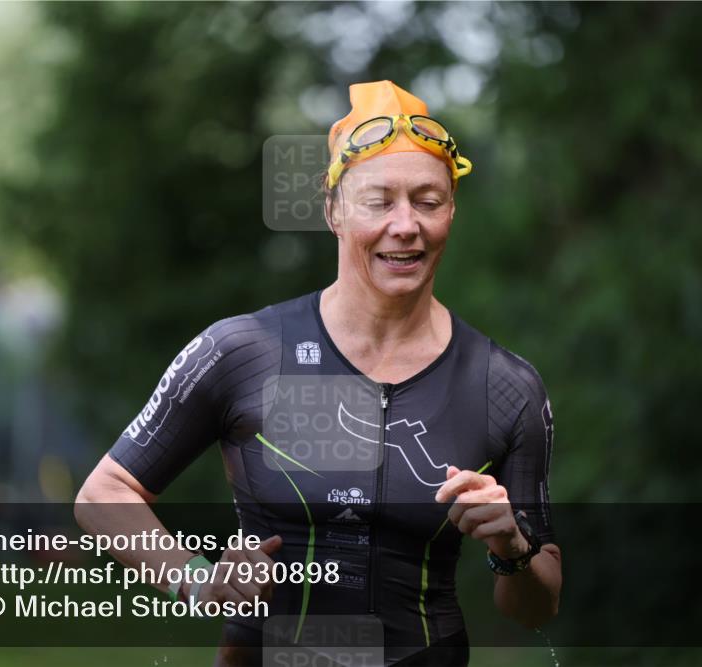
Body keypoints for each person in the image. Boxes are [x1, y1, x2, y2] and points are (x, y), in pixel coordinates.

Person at [76, 80, 561, 666]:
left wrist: (511, 546)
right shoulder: (244, 351)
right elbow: (104, 493)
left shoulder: (505, 387)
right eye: (379, 201)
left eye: (428, 201)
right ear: (333, 210)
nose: (405, 225)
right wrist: (196, 579)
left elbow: (535, 607)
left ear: (451, 211)